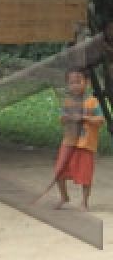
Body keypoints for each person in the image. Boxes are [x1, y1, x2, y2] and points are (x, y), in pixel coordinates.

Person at [49, 69, 104, 210]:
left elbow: (100, 120)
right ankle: (64, 197)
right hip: (68, 143)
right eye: (71, 83)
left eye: (78, 82)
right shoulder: (68, 102)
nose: (75, 85)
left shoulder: (92, 102)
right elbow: (62, 119)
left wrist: (85, 118)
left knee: (85, 175)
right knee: (59, 172)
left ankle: (84, 202)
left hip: (85, 145)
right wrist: (66, 118)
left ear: (87, 82)